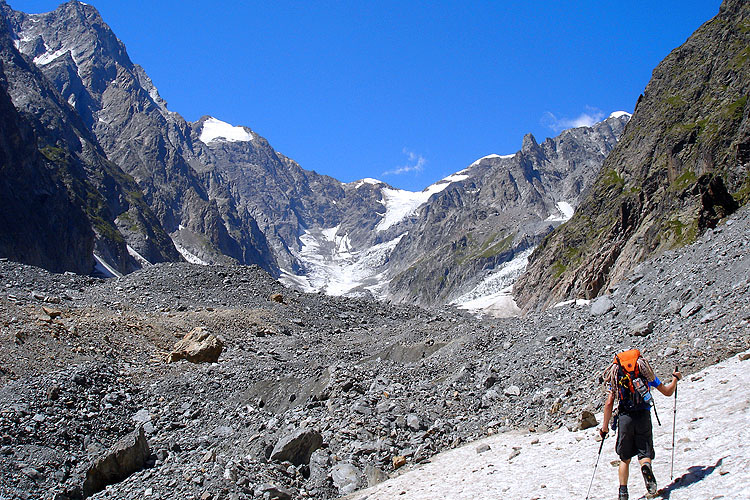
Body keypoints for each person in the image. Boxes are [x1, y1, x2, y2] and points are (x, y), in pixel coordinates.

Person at [598, 349, 681, 500]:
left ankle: (623, 493)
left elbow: (609, 402)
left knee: (625, 457)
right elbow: (667, 392)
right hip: (643, 415)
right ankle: (646, 468)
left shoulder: (616, 375)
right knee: (645, 452)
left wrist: (604, 428)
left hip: (625, 418)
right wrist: (675, 379)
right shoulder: (644, 373)